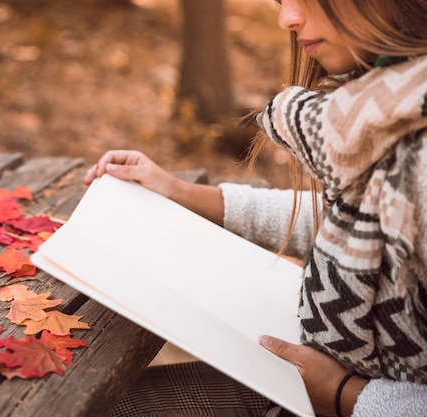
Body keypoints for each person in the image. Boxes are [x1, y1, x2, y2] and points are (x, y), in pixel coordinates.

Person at [83, 0, 427, 416]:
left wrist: (345, 395)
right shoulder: (385, 111)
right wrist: (180, 192)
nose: (287, 19)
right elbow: (354, 225)